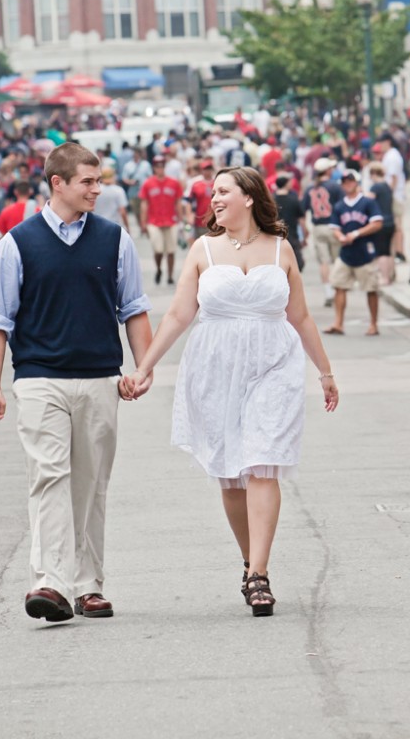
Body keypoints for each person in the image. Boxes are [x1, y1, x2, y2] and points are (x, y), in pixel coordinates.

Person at [122, 167, 338, 617]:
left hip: (274, 364)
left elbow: (299, 317)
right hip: (216, 367)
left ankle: (259, 574)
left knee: (263, 462)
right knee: (230, 473)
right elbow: (180, 314)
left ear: (249, 197)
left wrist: (325, 372)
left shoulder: (281, 249)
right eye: (212, 193)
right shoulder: (202, 250)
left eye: (223, 192)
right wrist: (144, 367)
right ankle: (248, 559)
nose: (214, 199)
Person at [0, 142, 153, 623]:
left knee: (90, 484)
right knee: (50, 475)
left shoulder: (115, 240)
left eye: (99, 181)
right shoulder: (18, 243)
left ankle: (89, 585)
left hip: (100, 378)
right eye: (88, 182)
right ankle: (50, 582)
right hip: (39, 379)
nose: (98, 189)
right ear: (58, 183)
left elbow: (134, 309)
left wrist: (143, 367)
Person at [324, 169, 383, 337]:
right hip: (346, 253)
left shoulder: (367, 202)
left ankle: (373, 324)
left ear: (356, 183)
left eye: (350, 181)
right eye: (344, 182)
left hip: (365, 251)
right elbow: (334, 227)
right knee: (339, 286)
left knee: (371, 288)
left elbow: (377, 223)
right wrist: (341, 236)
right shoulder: (340, 206)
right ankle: (338, 323)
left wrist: (356, 233)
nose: (347, 184)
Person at [301, 157, 344, 306]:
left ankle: (328, 291)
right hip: (334, 226)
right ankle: (336, 287)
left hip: (318, 227)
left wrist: (305, 230)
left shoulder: (310, 188)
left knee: (324, 261)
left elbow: (303, 209)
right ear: (327, 170)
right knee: (336, 259)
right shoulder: (335, 187)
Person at [139, 155, 184, 285]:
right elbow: (144, 203)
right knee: (158, 249)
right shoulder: (148, 183)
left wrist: (181, 220)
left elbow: (178, 202)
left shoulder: (174, 183)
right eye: (157, 166)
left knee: (171, 250)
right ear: (154, 168)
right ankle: (158, 269)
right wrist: (143, 222)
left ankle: (170, 275)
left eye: (162, 166)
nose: (160, 168)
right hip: (154, 221)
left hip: (171, 221)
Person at [376, 132, 406, 262]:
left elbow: (393, 177)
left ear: (387, 142)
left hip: (395, 195)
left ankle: (400, 252)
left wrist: (388, 195)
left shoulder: (392, 156)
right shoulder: (390, 155)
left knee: (397, 225)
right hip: (394, 194)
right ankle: (396, 251)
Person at [367, 162, 395, 286]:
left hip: (381, 223)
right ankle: (390, 275)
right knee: (388, 251)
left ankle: (384, 277)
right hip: (390, 222)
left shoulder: (376, 187)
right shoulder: (387, 186)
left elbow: (367, 202)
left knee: (381, 252)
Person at [273, 174, 306, 271]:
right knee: (297, 264)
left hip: (275, 237)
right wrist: (304, 235)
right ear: (286, 183)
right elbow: (301, 219)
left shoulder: (270, 199)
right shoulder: (294, 199)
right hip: (292, 235)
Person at [185, 158, 216, 240]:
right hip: (199, 220)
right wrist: (189, 216)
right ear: (202, 170)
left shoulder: (216, 183)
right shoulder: (196, 184)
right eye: (205, 169)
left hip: (214, 220)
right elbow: (190, 202)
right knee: (199, 242)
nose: (207, 171)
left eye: (209, 168)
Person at [94, 166, 130, 231]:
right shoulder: (118, 190)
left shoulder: (96, 190)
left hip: (97, 226)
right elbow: (123, 212)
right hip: (114, 226)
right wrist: (127, 227)